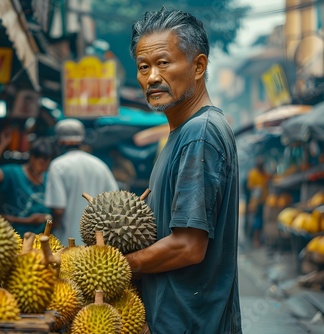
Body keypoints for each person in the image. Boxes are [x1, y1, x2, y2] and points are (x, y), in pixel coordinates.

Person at [124, 8, 242, 334]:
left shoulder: (199, 133)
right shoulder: (181, 133)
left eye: (163, 63)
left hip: (189, 323)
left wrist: (120, 266)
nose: (151, 77)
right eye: (143, 67)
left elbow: (189, 246)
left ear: (199, 66)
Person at [44, 118, 119, 245]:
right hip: (98, 245)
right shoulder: (100, 165)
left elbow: (58, 210)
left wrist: (49, 231)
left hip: (67, 244)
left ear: (59, 142)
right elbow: (116, 202)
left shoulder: (57, 166)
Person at [0, 128, 56, 237]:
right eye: (40, 163)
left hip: (41, 241)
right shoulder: (13, 173)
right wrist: (2, 144)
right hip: (14, 238)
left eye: (46, 164)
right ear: (31, 157)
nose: (43, 168)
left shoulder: (48, 178)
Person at [247, 157, 270, 248]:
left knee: (261, 220)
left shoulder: (264, 173)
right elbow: (250, 186)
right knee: (257, 221)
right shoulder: (253, 174)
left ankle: (259, 239)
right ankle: (255, 240)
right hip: (255, 202)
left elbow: (269, 178)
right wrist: (257, 189)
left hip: (263, 201)